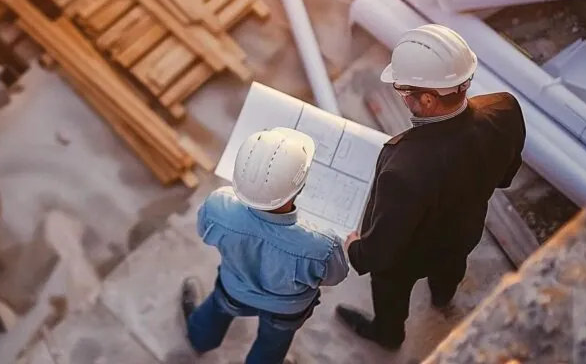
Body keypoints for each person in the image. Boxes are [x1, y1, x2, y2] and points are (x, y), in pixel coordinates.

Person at [335, 24, 527, 350]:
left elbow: (379, 253)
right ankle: (442, 297)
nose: (402, 97)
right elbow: (507, 174)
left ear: (426, 98)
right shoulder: (504, 109)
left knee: (390, 290)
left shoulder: (402, 166)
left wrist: (356, 248)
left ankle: (389, 335)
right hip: (464, 234)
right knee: (450, 269)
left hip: (408, 259)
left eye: (402, 90)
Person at [180, 127, 351, 364]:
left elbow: (203, 231)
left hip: (234, 288)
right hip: (287, 309)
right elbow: (335, 276)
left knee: (216, 311)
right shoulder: (321, 244)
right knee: (272, 344)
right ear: (299, 187)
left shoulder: (218, 205)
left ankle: (199, 339)